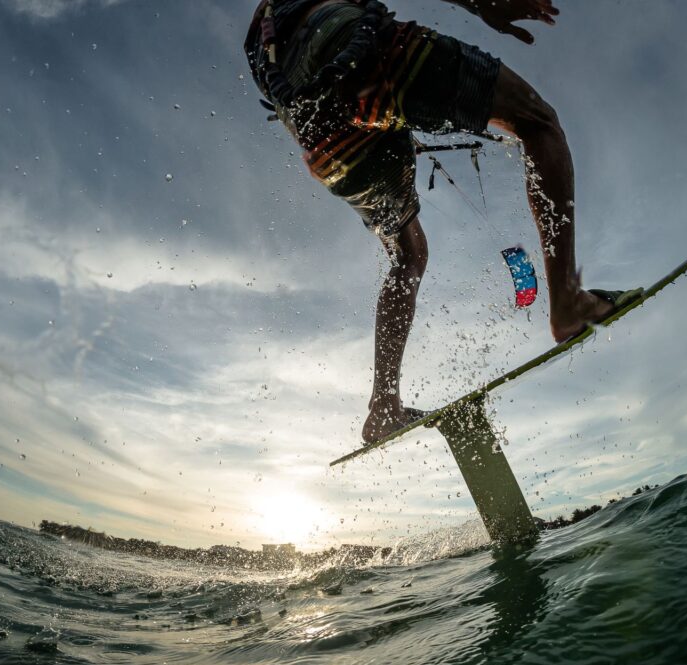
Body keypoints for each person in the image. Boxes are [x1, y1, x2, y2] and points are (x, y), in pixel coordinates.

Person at [245, 0, 640, 444]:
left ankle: (383, 407)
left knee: (408, 257)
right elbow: (352, 65)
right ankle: (567, 300)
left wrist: (393, 127)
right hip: (368, 55)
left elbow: (321, 90)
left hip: (320, 137)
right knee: (537, 121)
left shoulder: (262, 34)